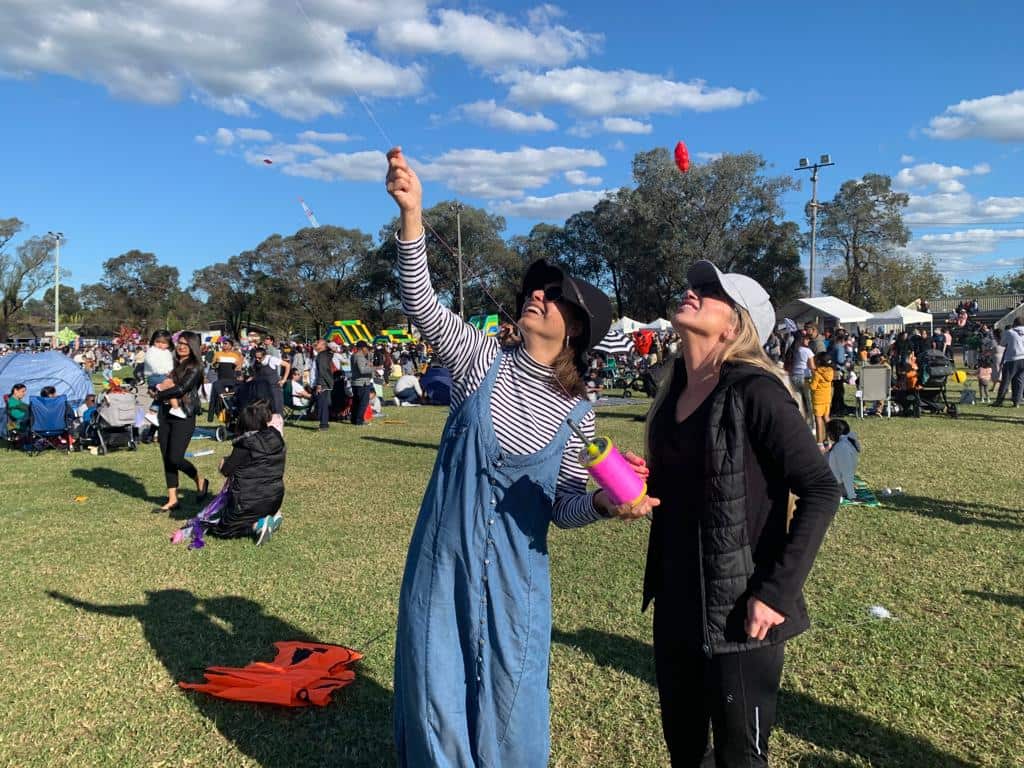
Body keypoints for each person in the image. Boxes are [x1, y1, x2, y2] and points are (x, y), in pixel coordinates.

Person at [386, 147, 653, 766]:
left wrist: (605, 504)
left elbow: (562, 508)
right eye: (538, 290)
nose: (538, 296)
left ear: (575, 331)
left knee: (511, 707)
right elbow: (421, 304)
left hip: (517, 583)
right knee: (437, 697)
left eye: (554, 297)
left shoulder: (578, 415)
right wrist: (413, 215)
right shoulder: (481, 360)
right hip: (442, 563)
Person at [643, 260, 839, 767]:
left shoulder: (756, 391)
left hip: (741, 615)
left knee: (740, 757)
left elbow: (821, 488)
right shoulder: (671, 398)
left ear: (736, 324)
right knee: (684, 751)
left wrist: (775, 594)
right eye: (696, 285)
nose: (693, 292)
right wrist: (639, 483)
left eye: (711, 292)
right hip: (676, 605)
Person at [171, 399, 285, 547]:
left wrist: (223, 462)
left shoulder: (245, 444)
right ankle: (271, 516)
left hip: (247, 503)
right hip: (275, 499)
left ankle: (257, 525)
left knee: (223, 529)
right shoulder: (277, 437)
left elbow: (226, 471)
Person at [152, 331, 208, 513]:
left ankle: (199, 479)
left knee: (175, 457)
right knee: (165, 456)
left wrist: (159, 394)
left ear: (193, 346)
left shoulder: (196, 367)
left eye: (186, 343)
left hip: (184, 415)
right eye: (180, 343)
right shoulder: (173, 364)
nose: (181, 346)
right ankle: (173, 499)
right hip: (165, 413)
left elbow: (182, 388)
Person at [143, 330, 186, 427]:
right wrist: (168, 372)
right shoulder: (152, 351)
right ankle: (175, 408)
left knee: (162, 394)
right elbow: (154, 365)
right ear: (153, 341)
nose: (160, 345)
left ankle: (152, 413)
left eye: (163, 343)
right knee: (171, 388)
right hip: (156, 376)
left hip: (160, 376)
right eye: (157, 342)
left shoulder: (167, 352)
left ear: (168, 344)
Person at [207, 338, 244, 423]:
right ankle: (220, 415)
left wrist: (237, 368)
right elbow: (213, 366)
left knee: (232, 399)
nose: (224, 345)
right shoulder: (218, 354)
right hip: (221, 380)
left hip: (232, 380)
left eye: (226, 343)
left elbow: (239, 368)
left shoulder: (235, 355)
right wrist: (216, 363)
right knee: (220, 399)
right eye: (223, 343)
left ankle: (232, 415)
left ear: (231, 345)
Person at [991, 318, 1024, 407]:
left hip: (1012, 358)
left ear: (1014, 324)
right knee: (1019, 381)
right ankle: (1016, 402)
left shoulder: (1010, 332)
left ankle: (999, 401)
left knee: (1006, 380)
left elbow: (1002, 343)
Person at [826, 418, 861, 500]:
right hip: (836, 482)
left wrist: (852, 495)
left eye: (828, 432)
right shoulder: (846, 442)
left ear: (832, 433)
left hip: (834, 485)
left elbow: (847, 473)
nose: (827, 435)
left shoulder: (841, 447)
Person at [783, 332, 814, 423]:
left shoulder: (793, 350)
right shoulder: (808, 351)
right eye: (807, 339)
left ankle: (800, 420)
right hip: (804, 377)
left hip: (793, 376)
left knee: (798, 400)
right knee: (808, 401)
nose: (808, 341)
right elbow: (812, 366)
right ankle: (811, 423)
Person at [809, 350, 834, 446]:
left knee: (818, 419)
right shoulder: (830, 371)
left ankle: (819, 441)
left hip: (818, 400)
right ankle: (829, 439)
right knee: (826, 418)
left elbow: (813, 387)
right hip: (827, 399)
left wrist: (807, 382)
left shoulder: (817, 373)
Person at [349, 340, 374, 426]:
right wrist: (374, 368)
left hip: (356, 382)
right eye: (366, 347)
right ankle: (359, 420)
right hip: (362, 382)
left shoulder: (354, 356)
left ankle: (354, 419)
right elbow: (362, 370)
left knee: (356, 402)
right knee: (363, 402)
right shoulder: (359, 356)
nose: (367, 349)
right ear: (363, 348)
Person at [312, 338, 334, 430]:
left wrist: (320, 384)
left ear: (323, 345)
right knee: (323, 404)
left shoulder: (322, 356)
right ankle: (324, 424)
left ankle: (324, 425)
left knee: (322, 404)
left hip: (322, 384)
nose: (316, 344)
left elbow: (323, 371)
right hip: (323, 383)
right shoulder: (322, 355)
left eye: (318, 343)